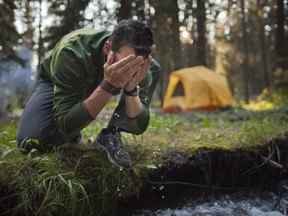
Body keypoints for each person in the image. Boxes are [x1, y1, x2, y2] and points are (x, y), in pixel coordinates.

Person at [16, 19, 160, 168]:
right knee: (30, 141)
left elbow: (139, 124)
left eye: (137, 65)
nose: (130, 70)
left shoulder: (146, 68)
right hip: (60, 80)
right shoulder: (72, 53)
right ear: (107, 48)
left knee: (151, 73)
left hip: (96, 81)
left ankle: (110, 135)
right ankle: (72, 133)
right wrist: (109, 85)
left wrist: (131, 90)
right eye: (124, 63)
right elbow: (67, 124)